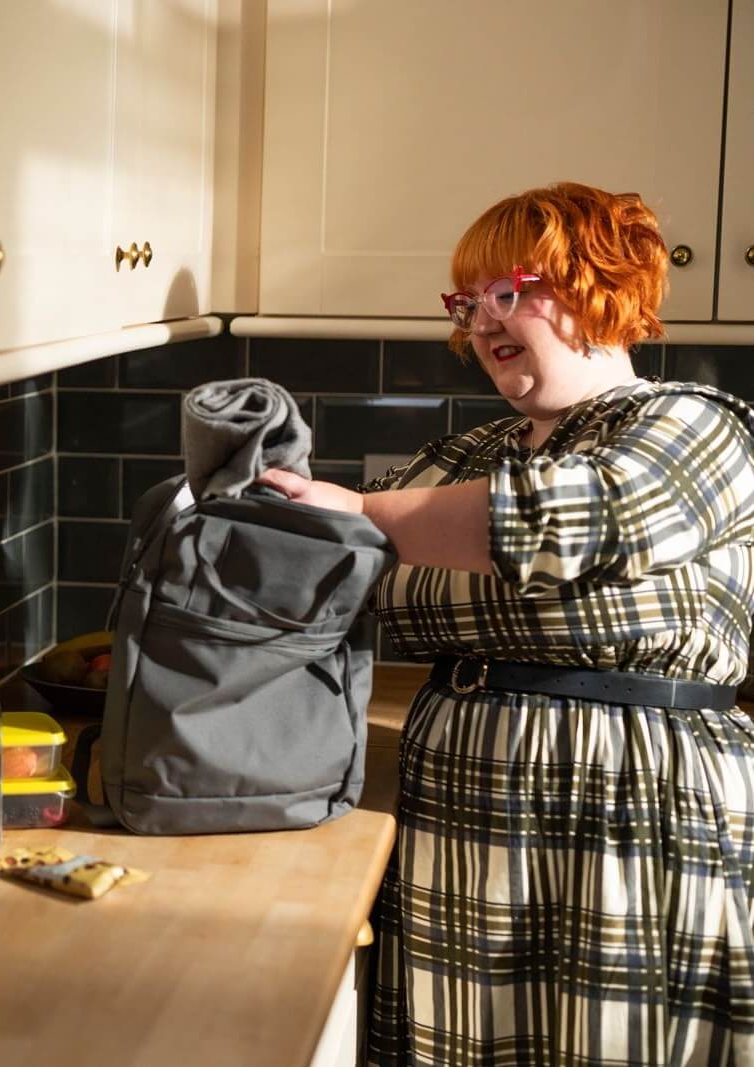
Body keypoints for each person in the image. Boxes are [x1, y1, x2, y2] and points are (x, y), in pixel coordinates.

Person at [258, 182, 754, 1066]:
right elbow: (368, 586)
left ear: (603, 286)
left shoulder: (696, 425)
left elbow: (579, 519)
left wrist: (378, 516)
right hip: (461, 810)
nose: (483, 319)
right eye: (468, 301)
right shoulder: (466, 458)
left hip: (629, 811)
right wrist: (433, 544)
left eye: (511, 291)